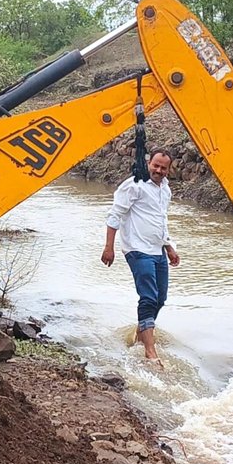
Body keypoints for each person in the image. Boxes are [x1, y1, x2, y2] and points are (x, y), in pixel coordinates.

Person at [100, 150, 180, 363]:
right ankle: (150, 351)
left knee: (159, 299)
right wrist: (109, 247)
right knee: (148, 297)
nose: (158, 170)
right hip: (137, 249)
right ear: (149, 163)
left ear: (168, 169)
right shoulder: (133, 185)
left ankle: (139, 336)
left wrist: (169, 247)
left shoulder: (165, 189)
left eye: (163, 168)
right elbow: (115, 215)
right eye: (156, 165)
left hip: (158, 250)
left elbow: (160, 220)